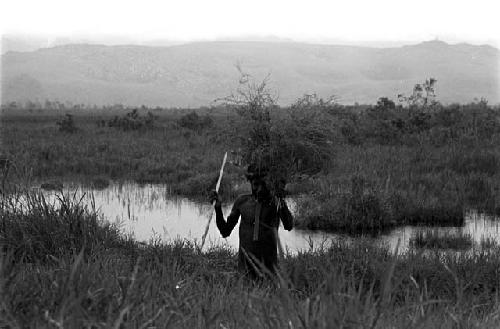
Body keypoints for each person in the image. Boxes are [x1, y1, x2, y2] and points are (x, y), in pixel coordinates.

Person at [210, 164, 294, 279]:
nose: (259, 189)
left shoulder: (275, 203)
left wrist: (281, 199)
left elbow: (289, 225)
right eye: (255, 185)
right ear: (250, 183)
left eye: (264, 185)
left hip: (268, 270)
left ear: (270, 185)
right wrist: (218, 209)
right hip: (244, 270)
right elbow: (225, 231)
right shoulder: (242, 202)